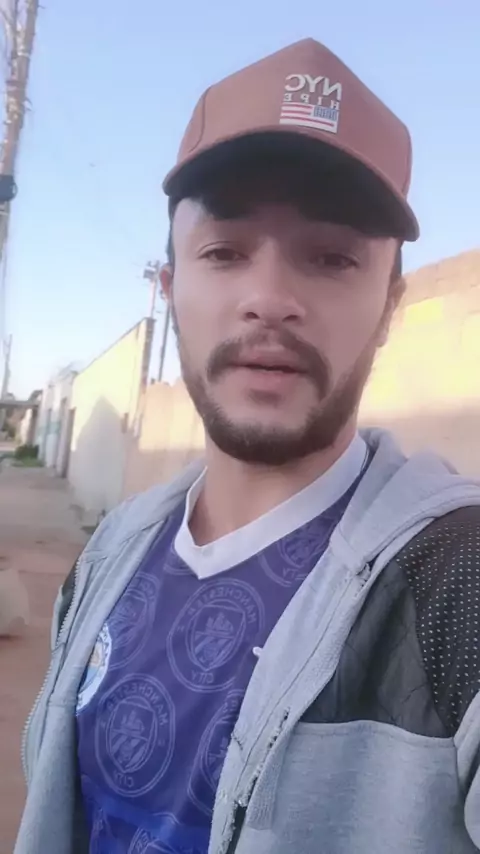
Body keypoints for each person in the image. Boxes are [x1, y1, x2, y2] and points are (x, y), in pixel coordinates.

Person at [15, 39, 480, 854]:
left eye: (332, 258)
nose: (270, 299)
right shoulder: (110, 554)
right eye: (225, 252)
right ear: (170, 289)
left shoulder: (457, 588)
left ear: (389, 305)